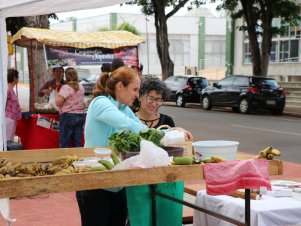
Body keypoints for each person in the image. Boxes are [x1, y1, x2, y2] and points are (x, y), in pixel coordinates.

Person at [76, 66, 147, 226]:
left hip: (117, 183)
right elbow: (127, 125)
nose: (137, 95)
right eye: (134, 89)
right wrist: (162, 136)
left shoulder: (124, 108)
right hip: (94, 184)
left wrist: (171, 132)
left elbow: (143, 130)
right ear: (120, 86)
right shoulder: (100, 102)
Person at [55, 67, 85, 148]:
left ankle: (64, 159)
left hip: (68, 116)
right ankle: (78, 159)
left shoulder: (66, 87)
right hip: (80, 116)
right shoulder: (81, 87)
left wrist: (57, 97)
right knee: (77, 142)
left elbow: (58, 102)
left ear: (66, 76)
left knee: (64, 142)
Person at [5, 69, 22, 142]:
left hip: (12, 119)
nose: (18, 79)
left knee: (10, 140)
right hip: (8, 119)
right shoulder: (7, 90)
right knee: (8, 141)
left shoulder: (11, 89)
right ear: (14, 78)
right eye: (18, 77)